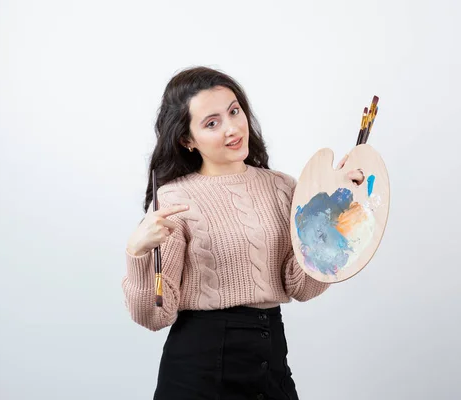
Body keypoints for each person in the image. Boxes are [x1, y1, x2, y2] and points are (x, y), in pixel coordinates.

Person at [121, 66, 362, 400]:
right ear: (186, 139)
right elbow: (154, 316)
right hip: (198, 369)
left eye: (234, 111)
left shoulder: (283, 188)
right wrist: (137, 254)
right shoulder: (175, 200)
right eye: (211, 123)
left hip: (270, 355)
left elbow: (301, 287)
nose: (232, 128)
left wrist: (332, 214)